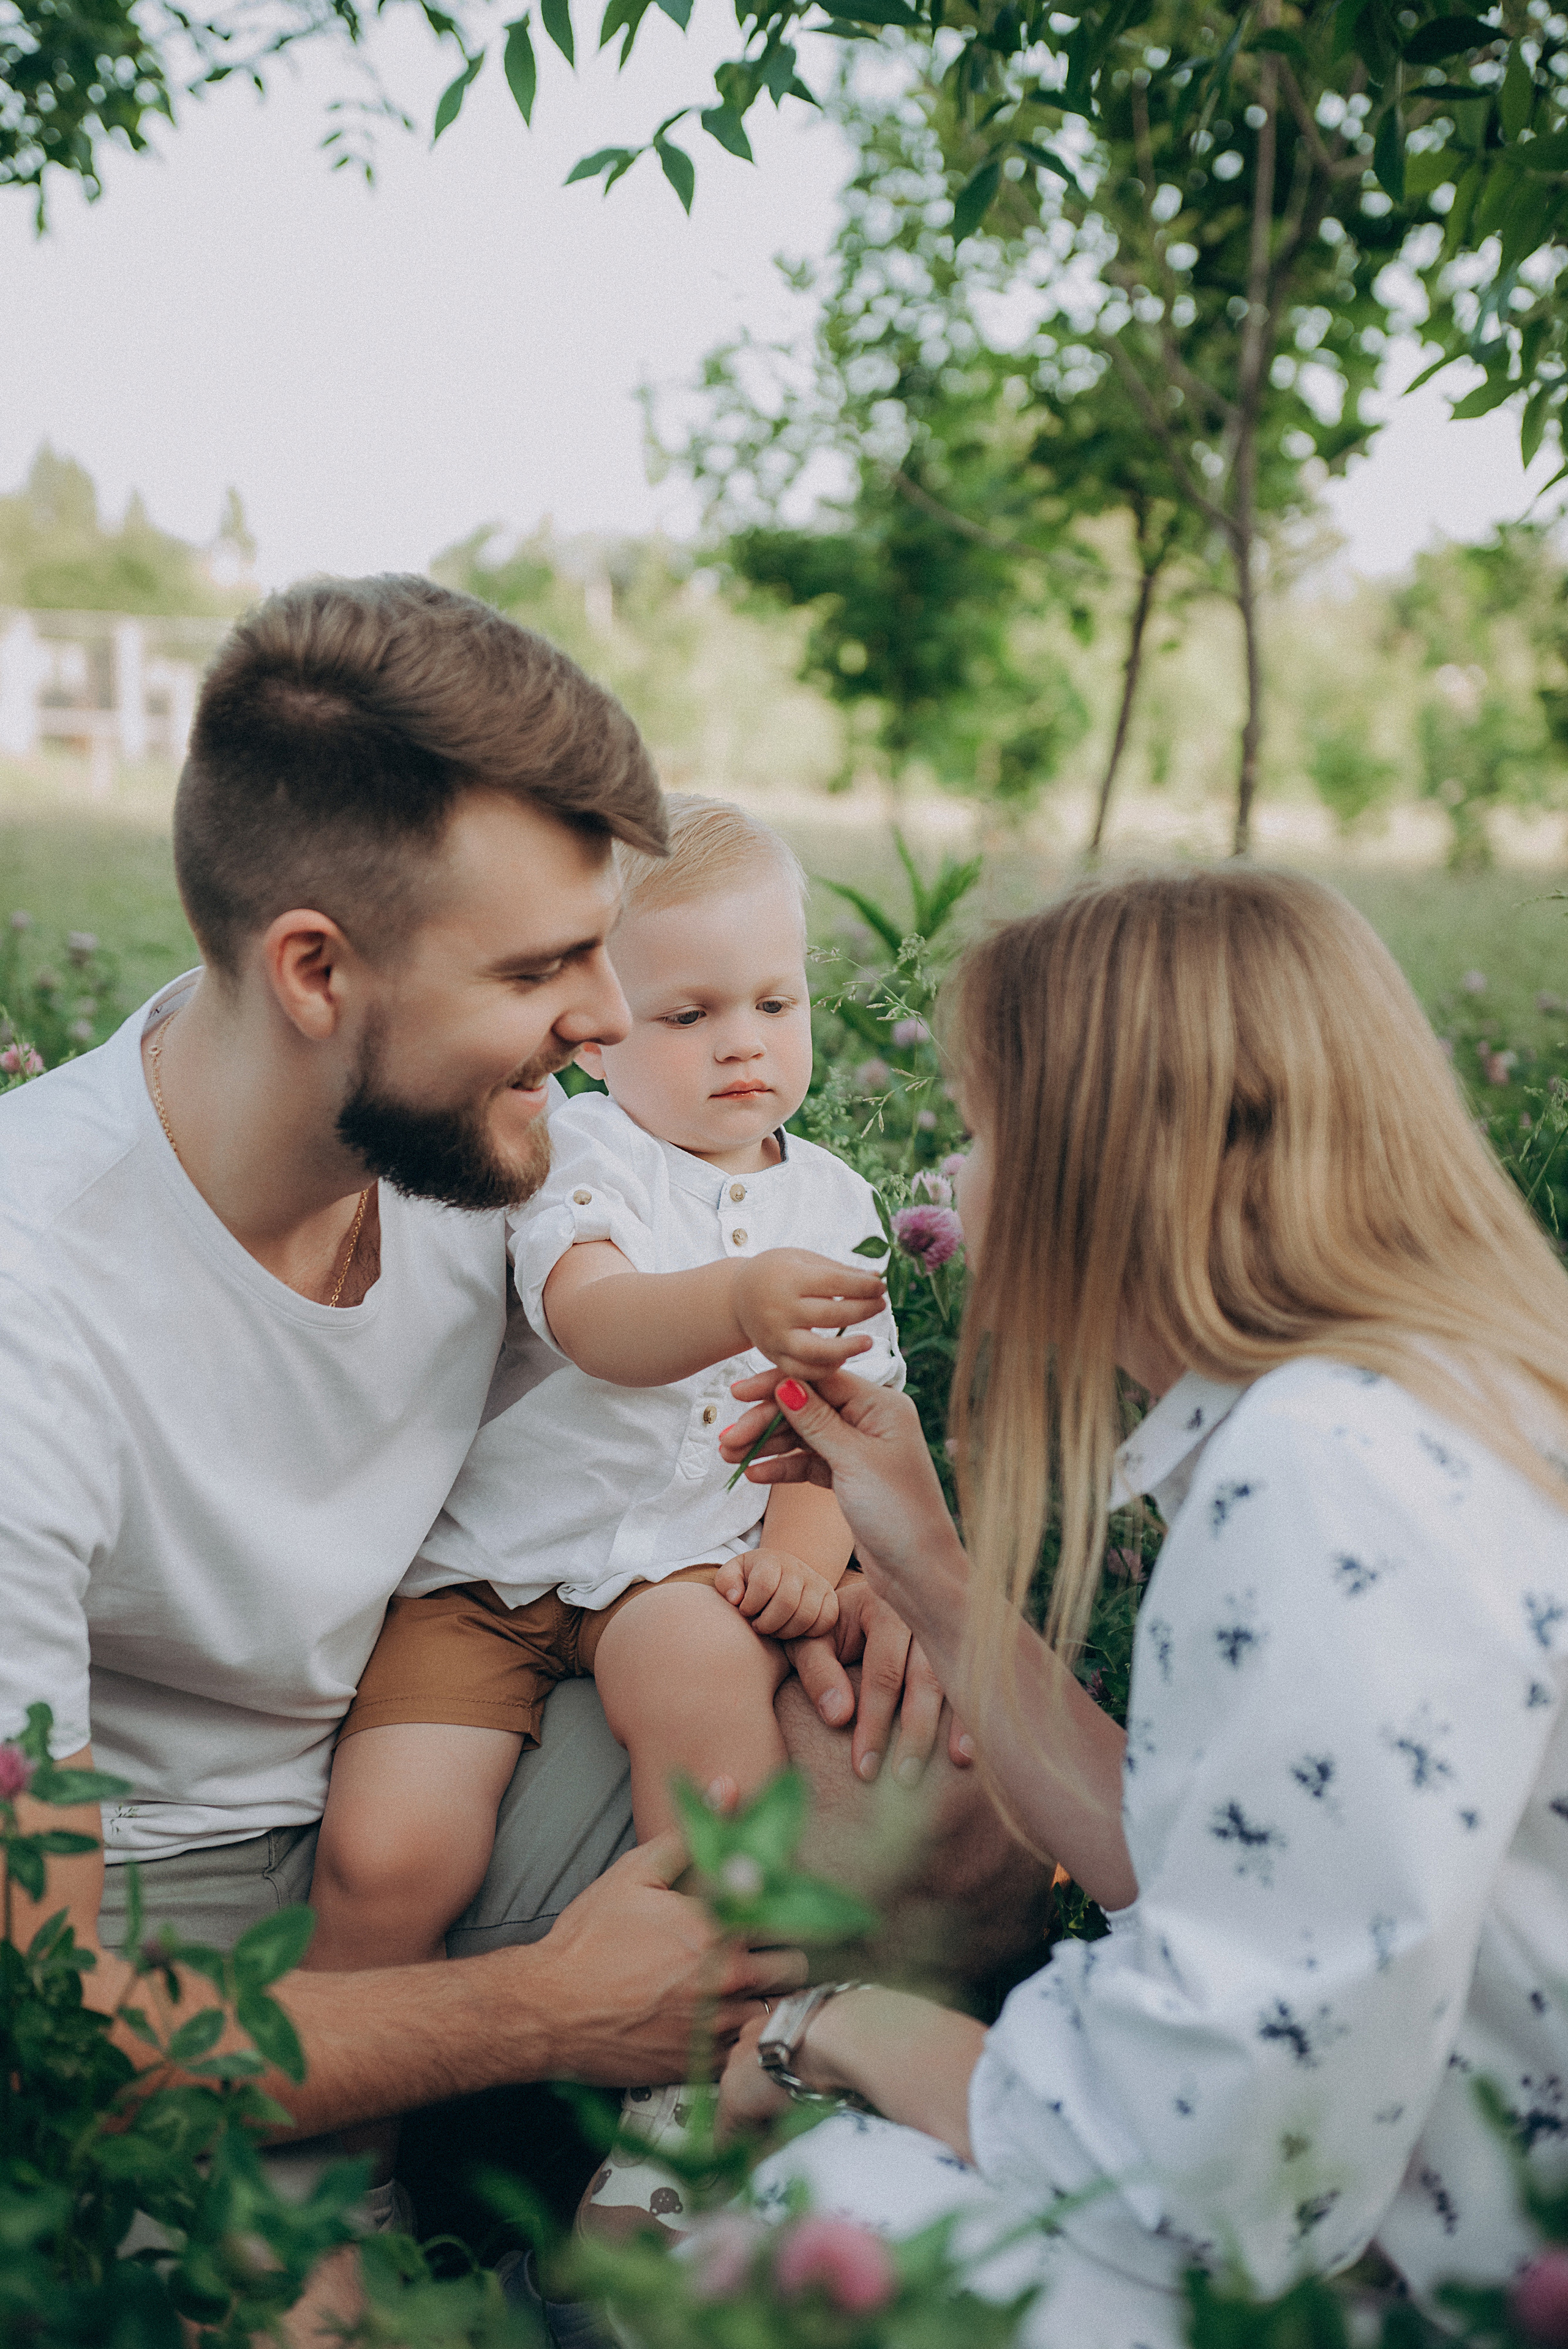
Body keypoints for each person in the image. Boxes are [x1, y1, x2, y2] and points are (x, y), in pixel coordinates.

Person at [0, 576, 1027, 2342]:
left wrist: (863, 1559)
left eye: (605, 950)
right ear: (317, 969)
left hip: (467, 1705)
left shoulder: (497, 1139)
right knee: (261, 2314)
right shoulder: (37, 1298)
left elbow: (696, 1363)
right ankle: (441, 2146)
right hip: (165, 1876)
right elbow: (49, 2011)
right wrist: (548, 2007)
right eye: (547, 969)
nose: (606, 1019)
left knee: (955, 1808)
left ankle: (652, 2173)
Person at [714, 869, 1568, 2343]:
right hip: (1440, 2205)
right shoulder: (1425, 1399)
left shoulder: (1326, 1472)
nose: (950, 1182)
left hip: (1466, 2285)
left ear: (1105, 1162)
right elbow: (1210, 1863)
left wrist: (836, 2028)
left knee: (818, 2224)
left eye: (980, 1132)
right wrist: (918, 1551)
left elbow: (1211, 2139)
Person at [300, 794, 905, 2225]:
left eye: (774, 1000)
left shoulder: (835, 1196)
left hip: (676, 1572)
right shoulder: (580, 1155)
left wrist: (807, 1563)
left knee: (718, 1768)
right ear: (601, 1024)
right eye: (688, 1012)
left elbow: (835, 1437)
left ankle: (680, 2099)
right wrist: (738, 1302)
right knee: (389, 1849)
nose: (743, 1041)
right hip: (489, 1573)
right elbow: (599, 1324)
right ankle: (338, 2164)